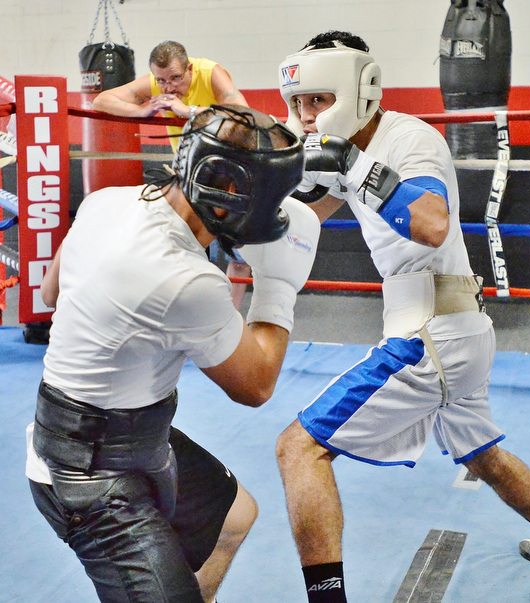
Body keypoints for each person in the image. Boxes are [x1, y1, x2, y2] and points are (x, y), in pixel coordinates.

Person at [275, 30, 530, 603]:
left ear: (359, 91)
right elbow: (310, 213)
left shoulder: (408, 139)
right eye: (298, 102)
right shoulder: (340, 148)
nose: (306, 115)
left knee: (298, 448)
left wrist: (352, 162)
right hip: (456, 331)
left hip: (432, 334)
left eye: (318, 100)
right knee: (484, 456)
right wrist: (248, 211)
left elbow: (430, 224)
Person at [25, 104, 320, 603]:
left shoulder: (105, 202)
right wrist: (279, 283)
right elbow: (256, 384)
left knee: (234, 516)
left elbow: (51, 294)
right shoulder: (186, 279)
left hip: (129, 435)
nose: (273, 213)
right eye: (270, 198)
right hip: (91, 476)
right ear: (229, 192)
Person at [93, 40, 252, 307]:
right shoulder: (157, 83)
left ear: (189, 69)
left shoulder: (210, 73)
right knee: (180, 248)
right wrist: (141, 110)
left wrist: (187, 112)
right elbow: (101, 100)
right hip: (188, 175)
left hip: (229, 175)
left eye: (176, 78)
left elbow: (243, 114)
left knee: (238, 253)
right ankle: (185, 313)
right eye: (163, 81)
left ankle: (230, 318)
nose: (169, 88)